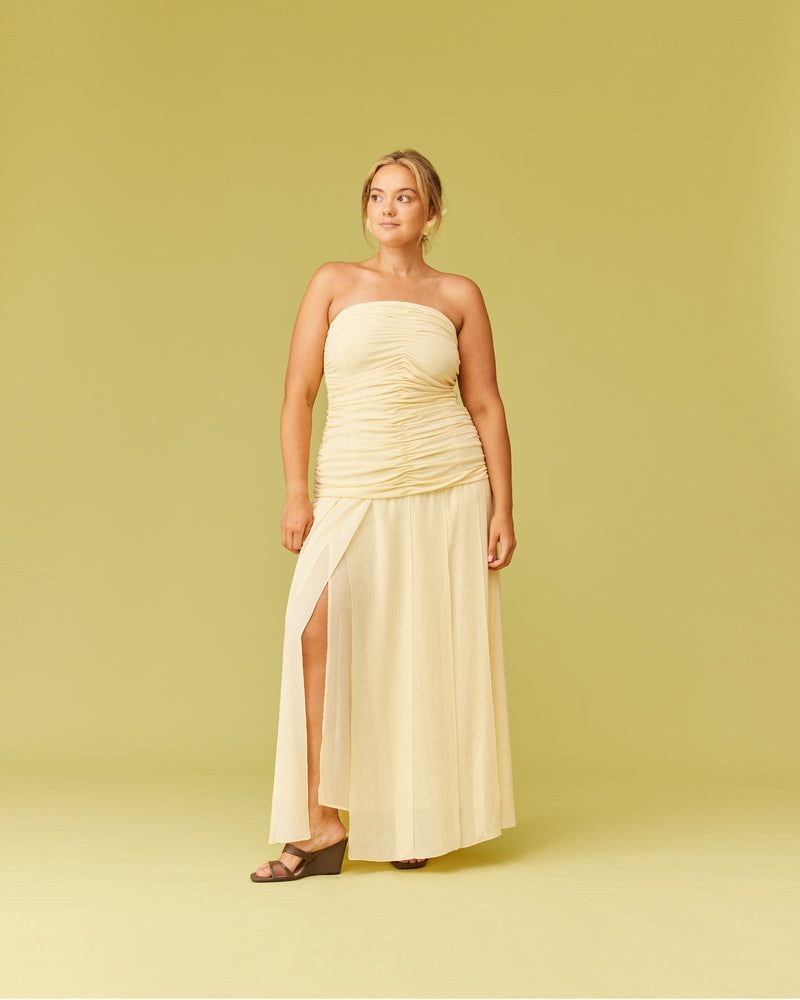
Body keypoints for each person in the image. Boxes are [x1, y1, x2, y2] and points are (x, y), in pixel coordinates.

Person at [251, 149, 516, 882]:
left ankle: (411, 819)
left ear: (432, 213)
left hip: (447, 483)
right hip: (353, 482)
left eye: (404, 196)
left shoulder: (459, 294)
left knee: (419, 647)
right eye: (376, 195)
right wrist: (296, 492)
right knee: (313, 630)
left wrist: (504, 505)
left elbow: (485, 403)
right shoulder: (333, 283)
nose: (388, 207)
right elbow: (298, 394)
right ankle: (320, 825)